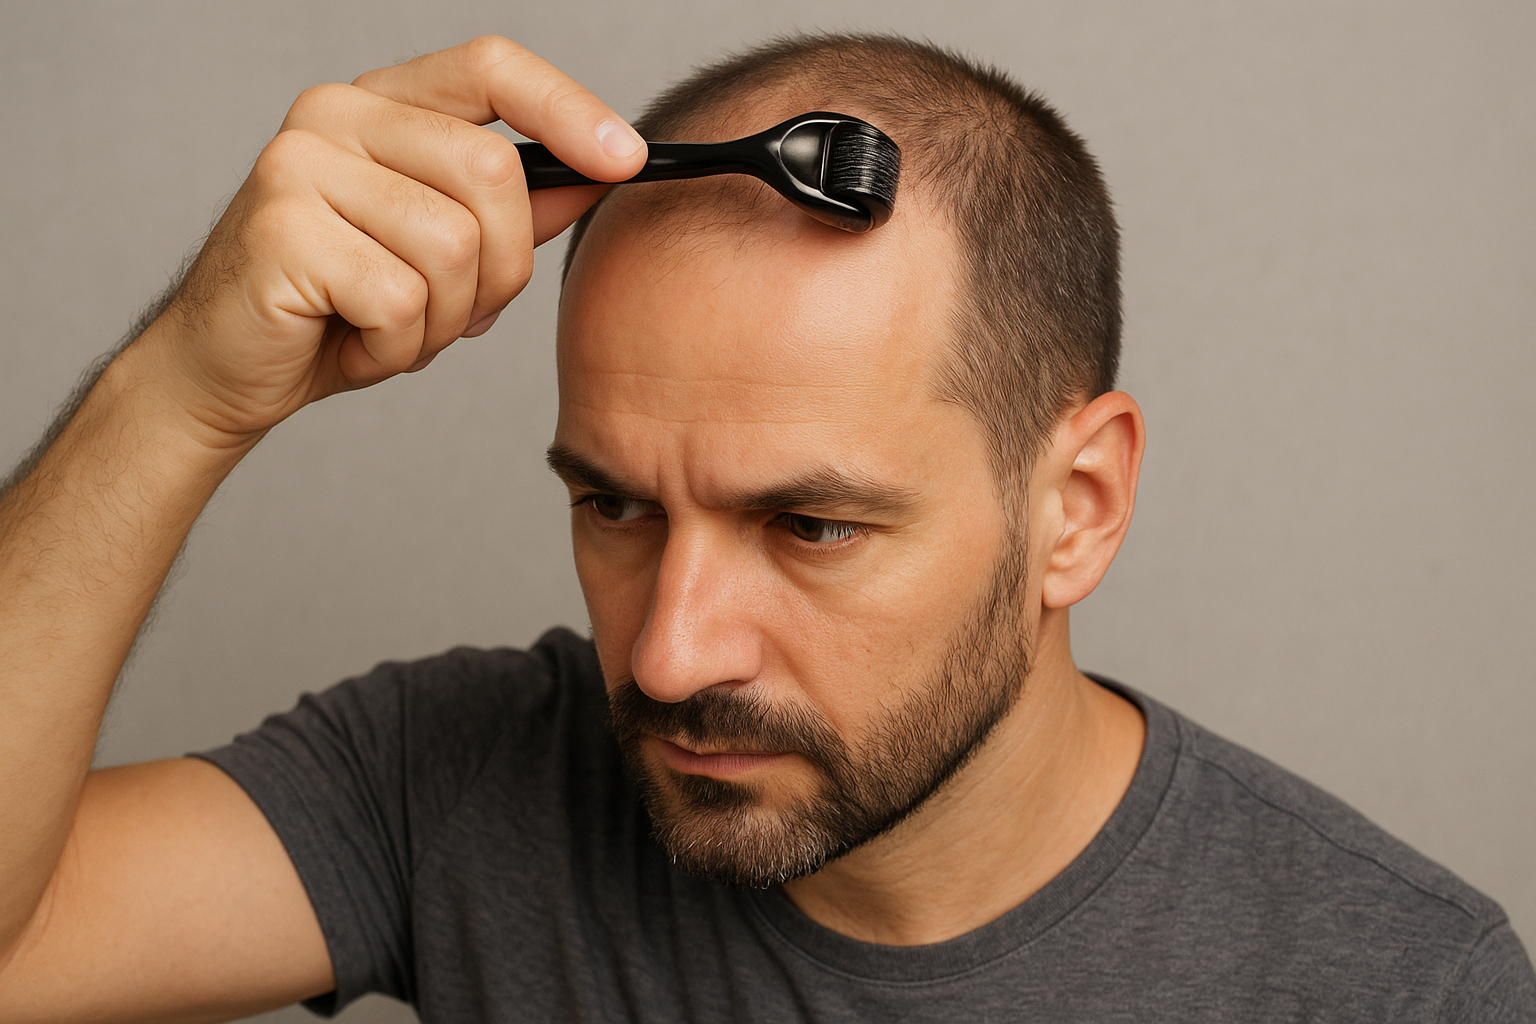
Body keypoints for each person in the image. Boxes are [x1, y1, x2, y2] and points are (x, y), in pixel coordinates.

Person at [0, 31, 1530, 1023]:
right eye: (613, 504)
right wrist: (179, 395)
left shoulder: (1397, 985)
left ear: (1076, 509)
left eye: (809, 525)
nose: (669, 658)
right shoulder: (454, 781)